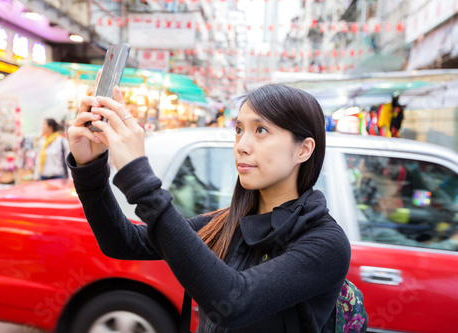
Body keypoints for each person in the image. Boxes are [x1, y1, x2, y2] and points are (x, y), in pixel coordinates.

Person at [67, 84, 352, 332]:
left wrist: (139, 178)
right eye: (239, 130)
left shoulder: (326, 243)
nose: (241, 145)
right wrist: (89, 168)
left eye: (261, 130)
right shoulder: (228, 223)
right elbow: (124, 243)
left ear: (304, 149)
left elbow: (234, 301)